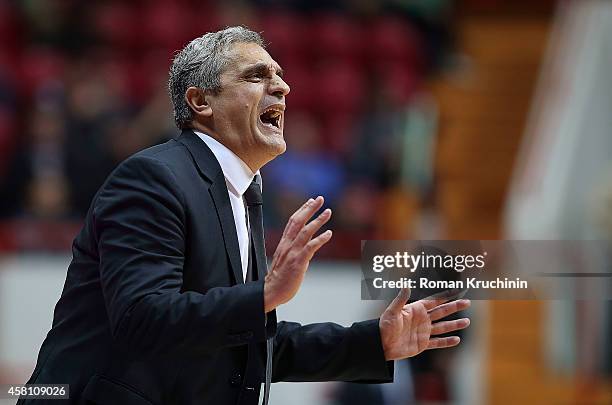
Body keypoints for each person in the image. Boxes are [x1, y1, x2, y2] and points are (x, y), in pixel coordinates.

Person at [19, 27, 470, 405]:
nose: (282, 87)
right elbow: (142, 317)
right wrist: (264, 295)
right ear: (201, 102)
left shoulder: (243, 192)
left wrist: (375, 343)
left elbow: (244, 340)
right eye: (257, 76)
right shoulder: (154, 177)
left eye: (280, 75)